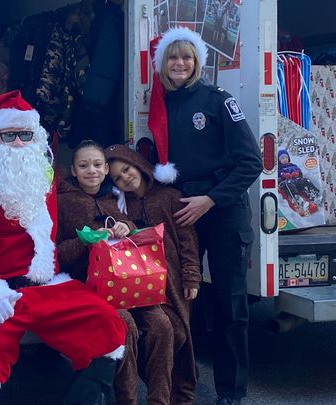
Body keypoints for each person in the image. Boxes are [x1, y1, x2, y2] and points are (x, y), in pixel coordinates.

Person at [0, 91, 127, 404]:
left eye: (25, 134)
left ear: (36, 138)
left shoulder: (43, 181)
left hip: (44, 285)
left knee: (106, 322)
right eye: (8, 135)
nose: (18, 143)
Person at [148, 27, 263, 405]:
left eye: (187, 57)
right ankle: (183, 386)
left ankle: (231, 392)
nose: (179, 63)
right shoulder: (161, 106)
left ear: (197, 62)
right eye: (172, 57)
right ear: (163, 64)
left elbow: (251, 163)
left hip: (223, 210)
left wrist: (211, 200)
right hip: (184, 213)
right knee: (182, 301)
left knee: (230, 304)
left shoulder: (217, 101)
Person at [56, 139, 175, 405]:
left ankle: (160, 400)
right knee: (125, 326)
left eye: (97, 165)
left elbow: (134, 232)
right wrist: (86, 241)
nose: (92, 171)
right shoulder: (62, 203)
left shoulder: (117, 197)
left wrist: (126, 227)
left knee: (162, 325)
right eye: (84, 166)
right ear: (74, 170)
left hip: (130, 283)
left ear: (105, 169)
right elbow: (56, 255)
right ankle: (127, 400)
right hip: (89, 288)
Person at [105, 144, 203, 405]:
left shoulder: (170, 197)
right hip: (144, 284)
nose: (125, 177)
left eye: (127, 169)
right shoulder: (121, 208)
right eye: (117, 177)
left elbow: (188, 242)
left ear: (137, 164)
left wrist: (191, 275)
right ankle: (165, 393)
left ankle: (180, 390)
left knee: (180, 333)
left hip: (174, 283)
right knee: (160, 332)